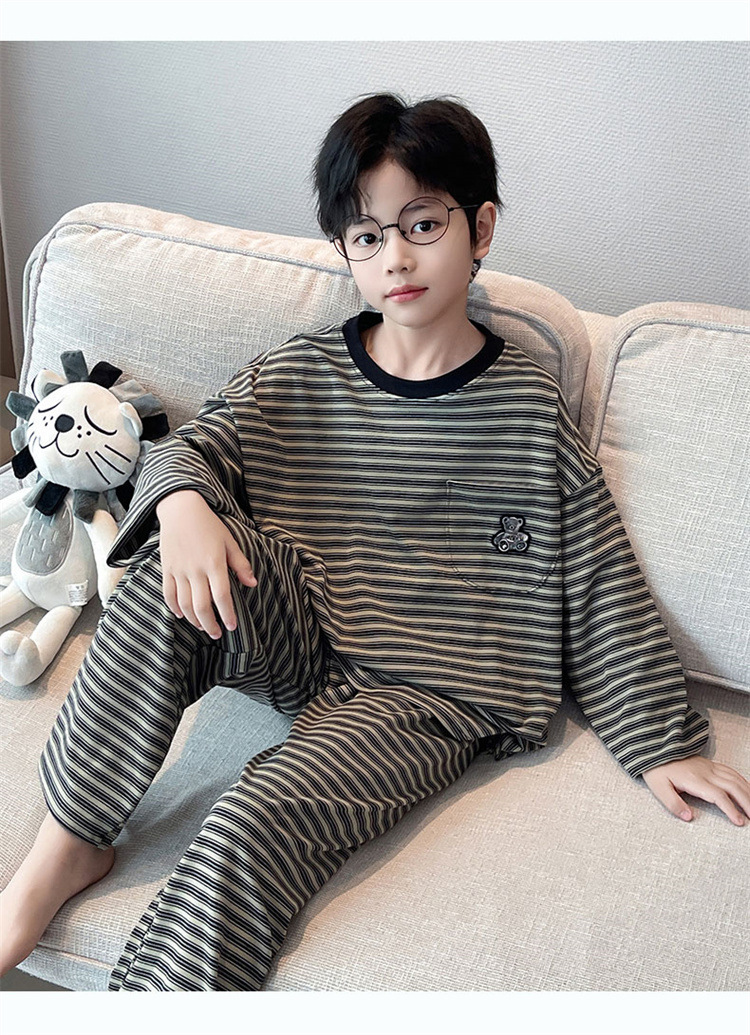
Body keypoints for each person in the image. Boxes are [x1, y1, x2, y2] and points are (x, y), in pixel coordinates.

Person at [1, 91, 748, 991]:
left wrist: (663, 741)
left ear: (479, 228)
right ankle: (67, 845)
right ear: (345, 252)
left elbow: (599, 580)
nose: (395, 256)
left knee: (255, 817)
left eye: (422, 224)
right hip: (304, 632)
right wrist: (186, 503)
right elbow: (192, 448)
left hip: (429, 691)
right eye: (366, 235)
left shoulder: (527, 410)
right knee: (170, 558)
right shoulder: (302, 371)